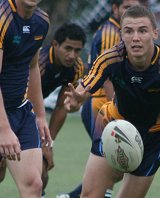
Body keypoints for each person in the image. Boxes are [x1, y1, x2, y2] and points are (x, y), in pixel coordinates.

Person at [64, 5, 160, 198]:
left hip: (153, 136)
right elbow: (82, 91)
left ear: (155, 33)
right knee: (90, 195)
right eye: (128, 31)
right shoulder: (110, 58)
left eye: (142, 30)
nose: (135, 38)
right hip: (113, 125)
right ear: (121, 34)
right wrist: (75, 101)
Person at [58, 1, 140, 198]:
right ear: (114, 9)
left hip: (106, 106)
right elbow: (107, 78)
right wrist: (120, 113)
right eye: (125, 6)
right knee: (114, 163)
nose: (130, 11)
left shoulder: (122, 31)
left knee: (117, 165)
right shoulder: (112, 33)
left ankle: (72, 196)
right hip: (100, 106)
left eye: (134, 7)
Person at [0, 0, 52, 197]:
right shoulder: (2, 18)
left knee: (33, 185)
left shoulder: (42, 21)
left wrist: (40, 115)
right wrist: (3, 129)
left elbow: (32, 66)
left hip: (20, 111)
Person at [39, 23, 86, 197]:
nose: (72, 55)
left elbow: (61, 106)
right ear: (55, 45)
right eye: (68, 48)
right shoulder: (39, 63)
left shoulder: (76, 68)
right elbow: (26, 104)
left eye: (77, 50)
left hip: (30, 112)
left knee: (41, 174)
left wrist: (49, 144)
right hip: (10, 110)